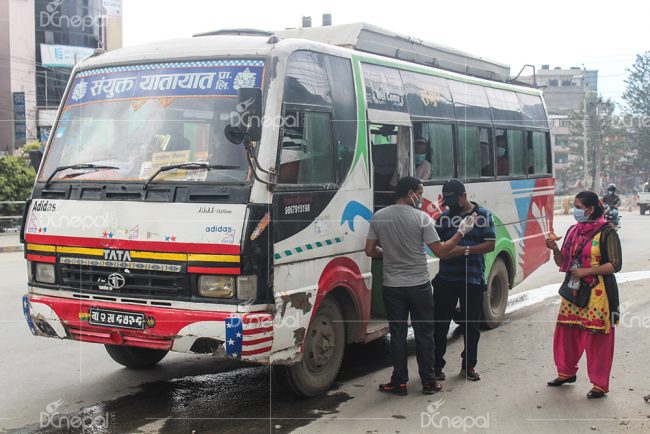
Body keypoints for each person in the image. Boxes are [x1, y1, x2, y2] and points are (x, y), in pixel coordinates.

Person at [365, 176, 476, 396]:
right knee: (424, 333)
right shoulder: (422, 218)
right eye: (420, 192)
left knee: (397, 334)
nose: (422, 197)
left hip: (392, 286)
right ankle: (428, 381)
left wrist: (387, 254)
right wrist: (461, 233)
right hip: (419, 285)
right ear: (410, 193)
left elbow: (370, 251)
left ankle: (399, 382)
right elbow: (442, 251)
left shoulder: (379, 217)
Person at [545, 191, 622, 399]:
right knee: (567, 332)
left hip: (599, 293)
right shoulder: (573, 231)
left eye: (578, 206)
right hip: (573, 289)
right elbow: (563, 263)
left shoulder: (607, 232)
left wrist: (586, 272)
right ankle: (566, 373)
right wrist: (554, 249)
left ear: (589, 209)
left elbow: (615, 265)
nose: (575, 210)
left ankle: (599, 384)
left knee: (597, 339)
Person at [432, 178, 496, 381]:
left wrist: (465, 250)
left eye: (453, 201)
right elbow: (435, 244)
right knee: (440, 324)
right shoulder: (444, 217)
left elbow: (490, 244)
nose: (450, 206)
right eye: (447, 202)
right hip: (446, 278)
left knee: (471, 326)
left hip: (472, 279)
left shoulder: (483, 215)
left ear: (464, 196)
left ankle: (468, 366)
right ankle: (436, 366)